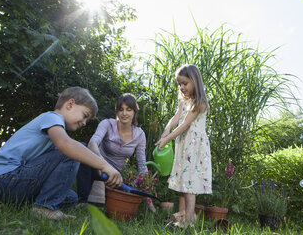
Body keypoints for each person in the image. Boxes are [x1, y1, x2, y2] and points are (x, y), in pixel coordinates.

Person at [0, 87, 122, 220]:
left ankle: (16, 203)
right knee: (73, 150)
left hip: (6, 185)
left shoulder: (55, 129)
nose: (85, 123)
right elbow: (66, 145)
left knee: (70, 197)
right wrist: (104, 166)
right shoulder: (52, 117)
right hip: (6, 179)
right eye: (85, 115)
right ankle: (44, 208)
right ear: (70, 104)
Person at [76, 93, 155, 211]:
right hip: (98, 169)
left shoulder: (139, 134)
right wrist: (103, 165)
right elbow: (92, 143)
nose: (124, 113)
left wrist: (149, 197)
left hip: (117, 176)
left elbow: (141, 163)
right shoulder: (107, 124)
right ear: (117, 111)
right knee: (85, 151)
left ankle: (107, 196)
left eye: (128, 109)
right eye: (121, 109)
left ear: (134, 112)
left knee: (129, 184)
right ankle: (83, 199)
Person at [155, 64, 212, 227]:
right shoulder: (184, 100)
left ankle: (189, 220)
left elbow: (185, 125)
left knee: (189, 184)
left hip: (194, 148)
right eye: (179, 84)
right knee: (181, 182)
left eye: (185, 83)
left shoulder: (199, 102)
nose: (181, 87)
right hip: (184, 146)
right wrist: (166, 130)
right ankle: (182, 216)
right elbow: (176, 118)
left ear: (195, 81)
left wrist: (168, 139)